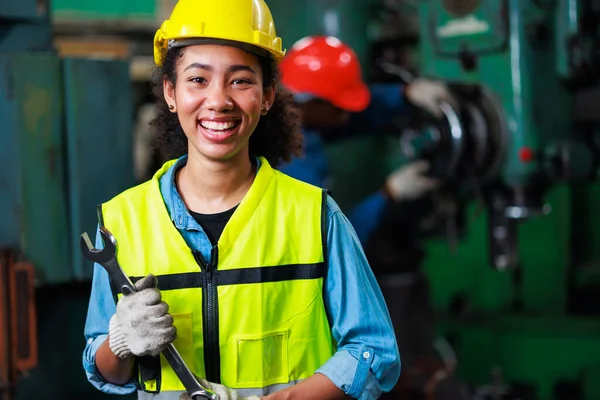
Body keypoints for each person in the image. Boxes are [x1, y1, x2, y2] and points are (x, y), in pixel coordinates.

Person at [82, 1, 400, 399]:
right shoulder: (122, 221)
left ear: (267, 96)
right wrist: (121, 343)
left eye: (240, 81)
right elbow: (104, 367)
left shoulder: (315, 216)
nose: (219, 101)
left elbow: (373, 351)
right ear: (170, 92)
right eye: (197, 80)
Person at [278, 36, 453, 245]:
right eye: (339, 107)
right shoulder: (292, 165)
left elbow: (361, 112)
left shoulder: (296, 118)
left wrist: (406, 94)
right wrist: (389, 194)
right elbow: (330, 245)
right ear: (308, 102)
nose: (347, 114)